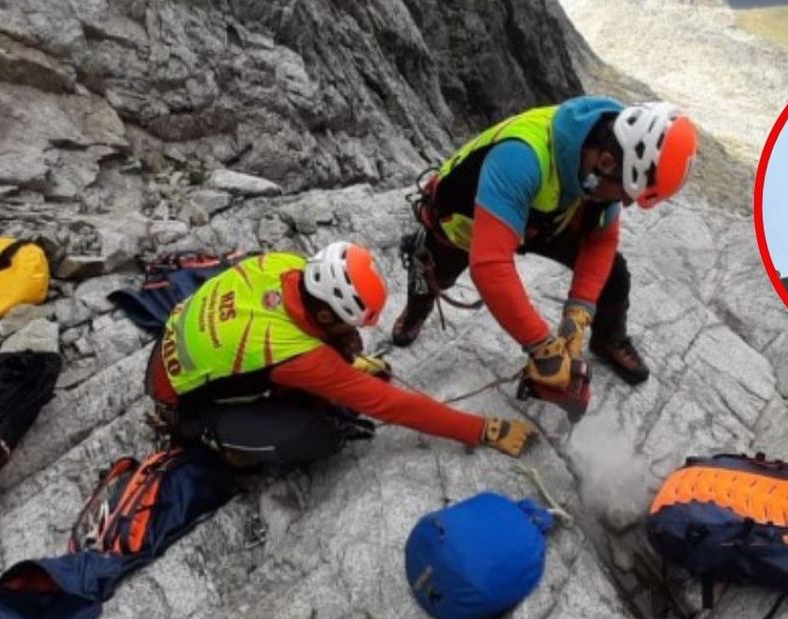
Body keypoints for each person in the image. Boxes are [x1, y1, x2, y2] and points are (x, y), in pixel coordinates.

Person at [393, 96, 697, 392]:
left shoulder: (607, 149)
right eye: (626, 194)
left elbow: (602, 239)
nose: (625, 204)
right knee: (434, 273)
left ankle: (607, 338)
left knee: (613, 275)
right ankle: (416, 311)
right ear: (605, 163)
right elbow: (489, 268)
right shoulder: (521, 158)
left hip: (541, 220)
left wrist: (580, 310)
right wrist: (542, 346)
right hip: (464, 220)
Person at [146, 241, 535, 468]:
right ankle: (221, 442)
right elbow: (392, 405)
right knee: (320, 436)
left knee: (322, 368)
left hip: (178, 340)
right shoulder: (293, 354)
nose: (354, 334)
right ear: (325, 312)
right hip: (179, 396)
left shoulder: (288, 263)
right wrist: (481, 430)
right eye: (347, 323)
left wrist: (342, 352)